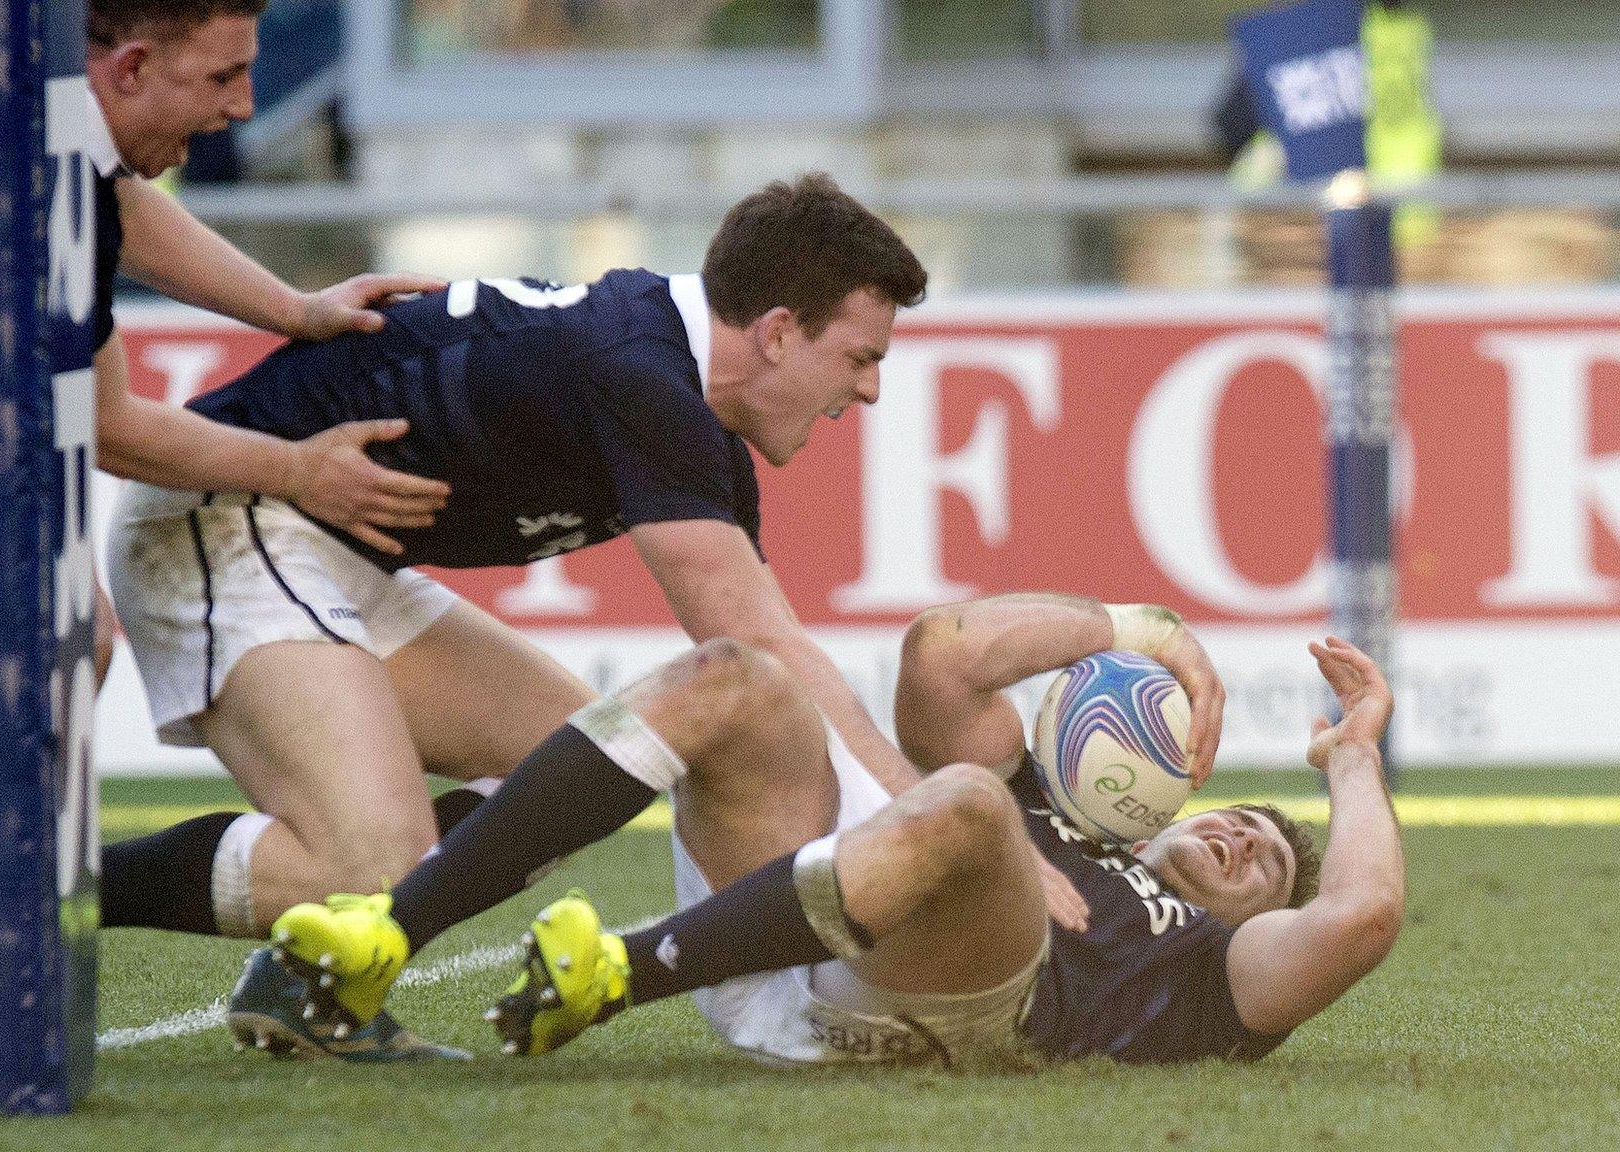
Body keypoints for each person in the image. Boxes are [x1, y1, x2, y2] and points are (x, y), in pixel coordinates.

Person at [97, 176, 1073, 993]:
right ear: (777, 332)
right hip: (224, 515)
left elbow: (764, 664)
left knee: (576, 774)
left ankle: (322, 955)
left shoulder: (678, 399)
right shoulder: (638, 372)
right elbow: (761, 643)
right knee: (373, 862)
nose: (866, 390)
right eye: (858, 357)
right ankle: (74, 888)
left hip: (326, 550)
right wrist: (950, 831)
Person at [259, 595, 1402, 1070]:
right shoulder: (1055, 804)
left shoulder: (1211, 972)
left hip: (922, 1007)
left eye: (1261, 871)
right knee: (733, 678)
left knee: (963, 804)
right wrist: (1124, 625)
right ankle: (376, 942)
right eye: (1243, 819)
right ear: (1174, 806)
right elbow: (943, 652)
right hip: (791, 935)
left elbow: (1359, 915)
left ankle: (608, 978)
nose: (1248, 845)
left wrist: (1351, 759)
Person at [78, 0, 455, 677]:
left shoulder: (57, 139)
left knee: (80, 637)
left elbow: (124, 208)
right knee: (73, 638)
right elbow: (108, 428)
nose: (246, 107)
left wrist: (296, 310)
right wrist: (303, 472)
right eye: (224, 77)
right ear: (131, 67)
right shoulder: (35, 183)